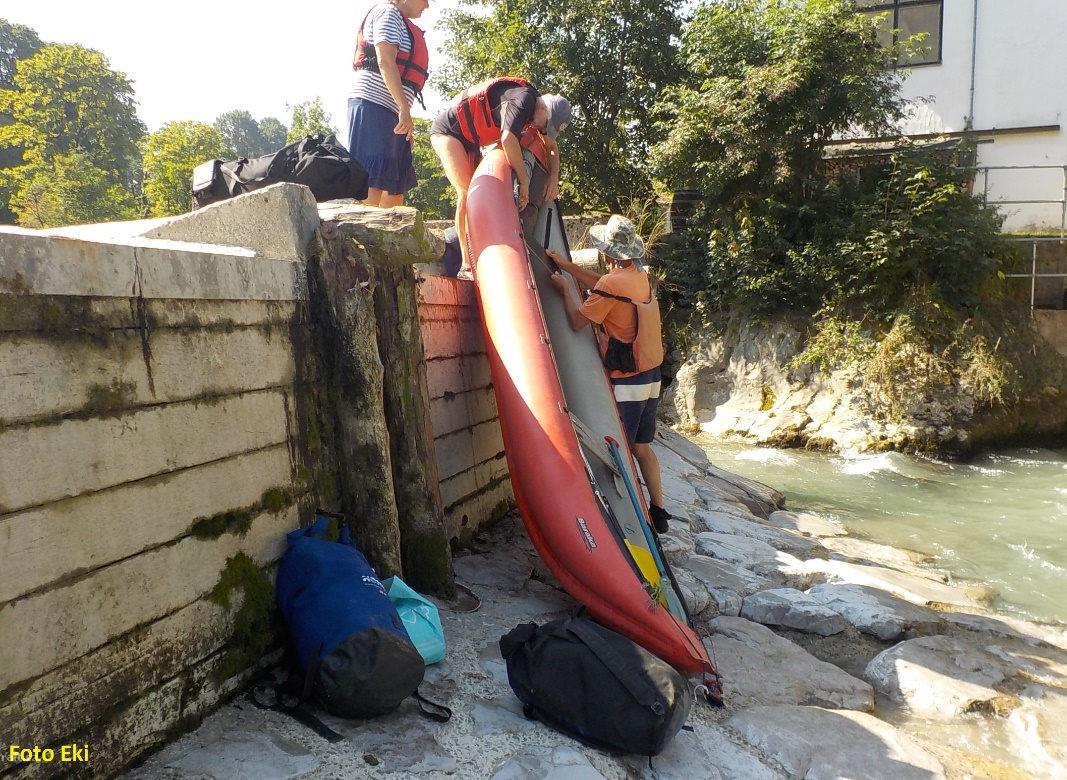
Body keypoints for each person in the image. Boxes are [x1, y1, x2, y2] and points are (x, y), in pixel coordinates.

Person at [546, 215, 672, 533]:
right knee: (641, 447)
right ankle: (659, 512)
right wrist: (568, 266)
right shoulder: (639, 276)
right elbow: (603, 286)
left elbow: (577, 320)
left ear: (607, 253)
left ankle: (630, 520)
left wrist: (565, 287)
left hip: (628, 382)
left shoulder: (611, 284)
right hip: (652, 377)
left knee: (621, 450)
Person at [430, 77, 570, 265]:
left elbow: (551, 147)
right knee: (466, 192)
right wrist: (524, 181)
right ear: (545, 109)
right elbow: (507, 138)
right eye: (546, 126)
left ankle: (474, 253)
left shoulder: (538, 112)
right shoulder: (524, 101)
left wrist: (553, 178)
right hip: (449, 133)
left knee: (475, 194)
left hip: (472, 142)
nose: (544, 131)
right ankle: (466, 262)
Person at [348, 0, 430, 208]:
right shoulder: (389, 13)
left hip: (391, 111)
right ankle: (362, 229)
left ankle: (391, 231)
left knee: (395, 188)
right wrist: (403, 109)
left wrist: (404, 117)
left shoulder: (399, 20)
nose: (427, 5)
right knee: (373, 181)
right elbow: (385, 60)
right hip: (374, 104)